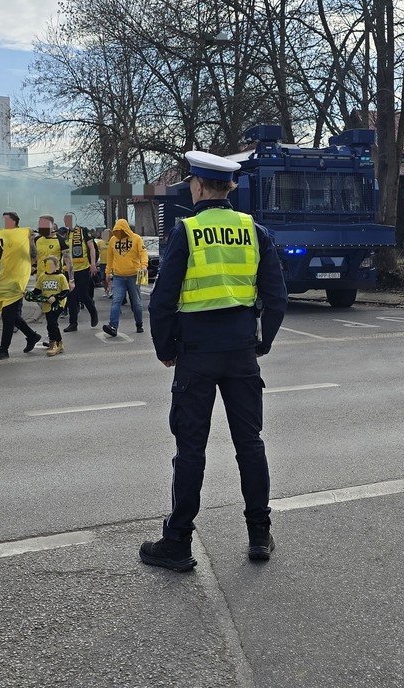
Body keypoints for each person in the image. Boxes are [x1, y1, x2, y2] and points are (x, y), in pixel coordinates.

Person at [139, 150, 288, 572]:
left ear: (199, 187)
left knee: (190, 451)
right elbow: (276, 298)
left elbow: (163, 300)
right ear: (230, 188)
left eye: (191, 183)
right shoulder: (253, 230)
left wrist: (165, 349)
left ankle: (178, 542)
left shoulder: (186, 231)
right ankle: (259, 535)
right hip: (241, 352)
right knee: (250, 445)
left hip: (197, 355)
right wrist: (263, 342)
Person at [0, 211, 41, 360]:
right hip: (2, 280)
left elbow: (34, 256)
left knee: (8, 316)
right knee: (9, 315)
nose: (4, 223)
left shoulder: (22, 235)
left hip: (16, 282)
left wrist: (30, 240)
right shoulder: (3, 236)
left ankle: (3, 349)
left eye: (7, 220)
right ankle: (32, 336)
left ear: (14, 221)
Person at [102, 218, 148, 337]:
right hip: (118, 276)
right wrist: (108, 272)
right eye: (117, 231)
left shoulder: (137, 238)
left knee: (137, 302)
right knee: (116, 301)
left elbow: (143, 253)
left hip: (134, 274)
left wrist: (144, 266)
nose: (119, 233)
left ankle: (139, 324)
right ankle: (113, 326)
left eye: (121, 230)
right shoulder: (113, 240)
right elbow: (110, 258)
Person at [63, 213, 99, 332]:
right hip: (70, 270)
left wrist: (93, 264)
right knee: (71, 297)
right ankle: (73, 323)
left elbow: (92, 248)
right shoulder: (65, 234)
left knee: (83, 295)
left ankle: (93, 312)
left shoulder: (83, 231)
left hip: (83, 268)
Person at [31, 255, 70, 356]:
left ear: (56, 266)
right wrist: (27, 294)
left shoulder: (61, 277)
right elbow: (36, 291)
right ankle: (59, 343)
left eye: (51, 265)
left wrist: (56, 297)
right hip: (46, 305)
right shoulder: (42, 277)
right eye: (46, 265)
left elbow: (66, 291)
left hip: (57, 304)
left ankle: (54, 344)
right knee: (51, 324)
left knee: (52, 323)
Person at [95, 227, 111, 297]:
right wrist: (96, 261)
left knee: (110, 277)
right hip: (102, 262)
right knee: (103, 278)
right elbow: (96, 252)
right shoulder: (100, 242)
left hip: (111, 263)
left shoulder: (112, 241)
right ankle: (106, 290)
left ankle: (110, 290)